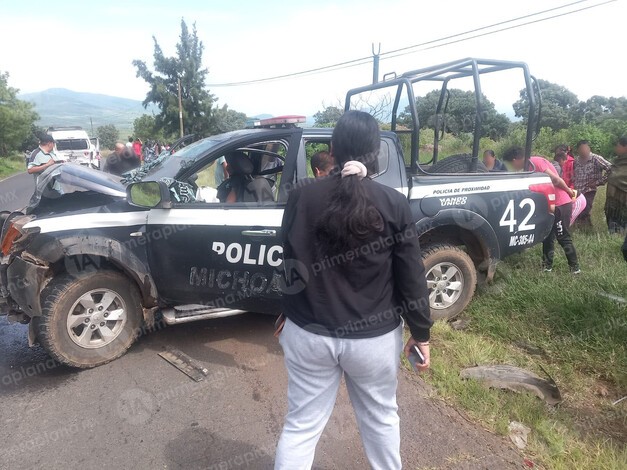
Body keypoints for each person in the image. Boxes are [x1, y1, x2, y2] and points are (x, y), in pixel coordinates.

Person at [275, 111, 433, 469]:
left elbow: (288, 258)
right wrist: (421, 332)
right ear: (376, 153)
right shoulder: (393, 202)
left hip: (309, 334)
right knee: (381, 420)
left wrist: (287, 310)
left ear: (332, 148)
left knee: (300, 427)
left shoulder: (303, 196)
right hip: (373, 341)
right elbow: (411, 274)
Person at [503, 146, 580, 273]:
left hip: (560, 203)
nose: (511, 167)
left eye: (510, 164)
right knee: (547, 236)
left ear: (515, 159)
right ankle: (547, 267)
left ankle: (575, 268)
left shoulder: (535, 162)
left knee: (563, 237)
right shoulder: (527, 167)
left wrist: (568, 191)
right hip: (549, 204)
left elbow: (554, 179)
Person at [573, 140, 612, 226]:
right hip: (578, 190)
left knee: (585, 209)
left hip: (589, 189)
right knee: (577, 210)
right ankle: (580, 229)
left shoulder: (596, 158)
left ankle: (587, 230)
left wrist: (599, 181)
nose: (584, 150)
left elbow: (611, 169)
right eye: (581, 149)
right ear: (578, 150)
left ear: (589, 148)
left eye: (585, 148)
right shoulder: (576, 161)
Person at [605, 137, 627, 233]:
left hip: (624, 202)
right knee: (613, 226)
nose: (616, 148)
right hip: (613, 202)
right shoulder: (617, 162)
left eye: (618, 146)